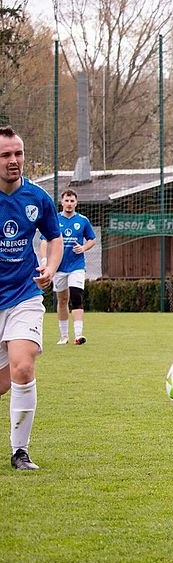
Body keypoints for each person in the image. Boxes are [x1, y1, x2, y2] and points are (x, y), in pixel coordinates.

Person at [0, 126, 63, 470]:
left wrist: (51, 268)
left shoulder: (38, 198)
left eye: (18, 153)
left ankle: (19, 452)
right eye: (6, 155)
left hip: (24, 295)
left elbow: (53, 238)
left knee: (23, 367)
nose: (14, 161)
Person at [39, 189, 97, 345]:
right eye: (67, 200)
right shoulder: (54, 219)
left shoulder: (83, 220)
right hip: (59, 267)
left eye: (72, 201)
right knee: (62, 299)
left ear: (76, 203)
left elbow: (92, 239)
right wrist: (45, 259)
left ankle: (78, 335)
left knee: (76, 296)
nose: (69, 204)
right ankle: (64, 336)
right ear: (62, 202)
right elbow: (44, 241)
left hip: (77, 266)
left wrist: (83, 248)